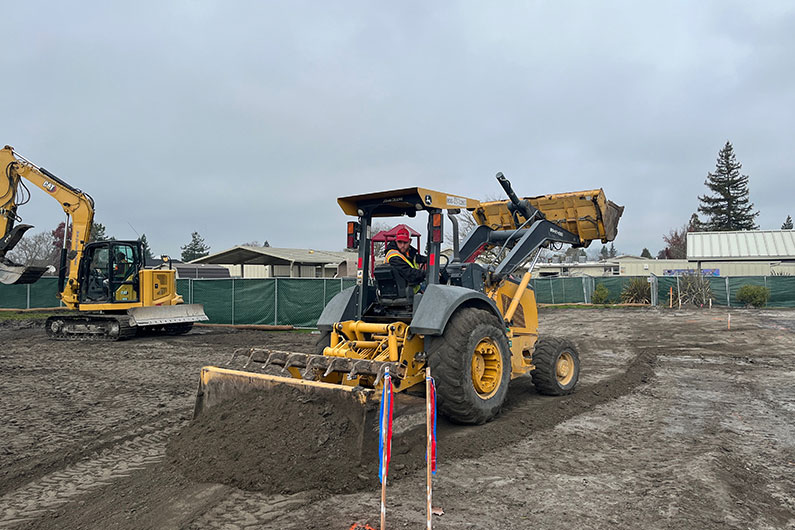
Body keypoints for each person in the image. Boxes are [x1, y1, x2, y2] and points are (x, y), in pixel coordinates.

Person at [384, 226, 427, 291]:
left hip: (411, 292)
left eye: (405, 242)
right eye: (400, 242)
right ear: (396, 241)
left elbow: (419, 258)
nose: (402, 245)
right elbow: (408, 273)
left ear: (410, 241)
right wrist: (426, 273)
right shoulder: (394, 256)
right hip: (400, 294)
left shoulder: (409, 253)